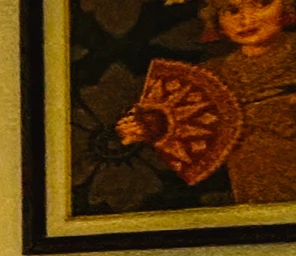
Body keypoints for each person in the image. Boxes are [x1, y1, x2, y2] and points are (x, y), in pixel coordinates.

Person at [117, 0, 296, 203]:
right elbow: (186, 126)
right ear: (217, 19)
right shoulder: (210, 75)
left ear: (286, 6)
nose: (245, 19)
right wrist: (146, 128)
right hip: (251, 184)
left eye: (260, 4)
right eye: (231, 10)